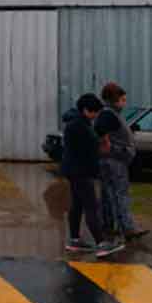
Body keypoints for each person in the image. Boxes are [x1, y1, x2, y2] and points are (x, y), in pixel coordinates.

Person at [61, 93, 125, 258]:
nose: (96, 115)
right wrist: (103, 142)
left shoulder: (78, 123)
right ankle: (101, 243)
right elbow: (93, 148)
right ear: (85, 110)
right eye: (94, 112)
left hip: (75, 170)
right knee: (91, 206)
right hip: (81, 172)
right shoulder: (79, 126)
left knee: (77, 205)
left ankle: (74, 240)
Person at [97, 82, 148, 242]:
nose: (124, 103)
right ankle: (127, 227)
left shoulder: (111, 114)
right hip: (114, 161)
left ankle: (109, 225)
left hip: (112, 159)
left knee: (109, 194)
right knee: (120, 194)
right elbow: (99, 130)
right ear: (114, 100)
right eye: (123, 99)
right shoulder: (108, 114)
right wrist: (107, 144)